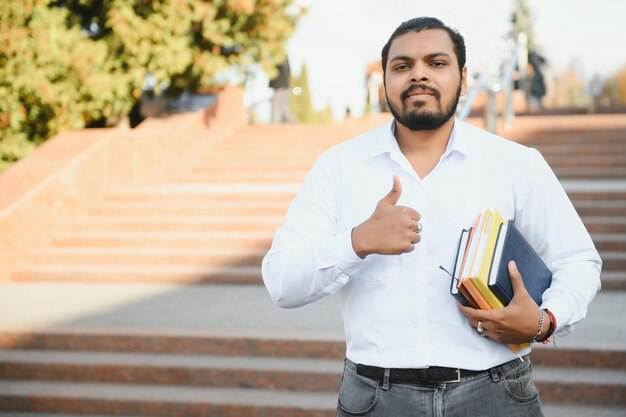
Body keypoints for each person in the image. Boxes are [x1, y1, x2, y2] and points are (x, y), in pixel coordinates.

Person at [262, 17, 601, 417]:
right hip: (376, 397)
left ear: (462, 76)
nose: (418, 74)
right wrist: (356, 242)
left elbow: (579, 261)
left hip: (495, 393)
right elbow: (282, 282)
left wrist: (545, 321)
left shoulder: (515, 163)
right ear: (385, 79)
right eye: (402, 65)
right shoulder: (338, 167)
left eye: (436, 63)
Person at [269, 57, 295, 123]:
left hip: (280, 86)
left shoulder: (280, 58)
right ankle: (291, 121)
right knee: (283, 105)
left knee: (274, 104)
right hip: (284, 86)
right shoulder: (284, 58)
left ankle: (274, 122)